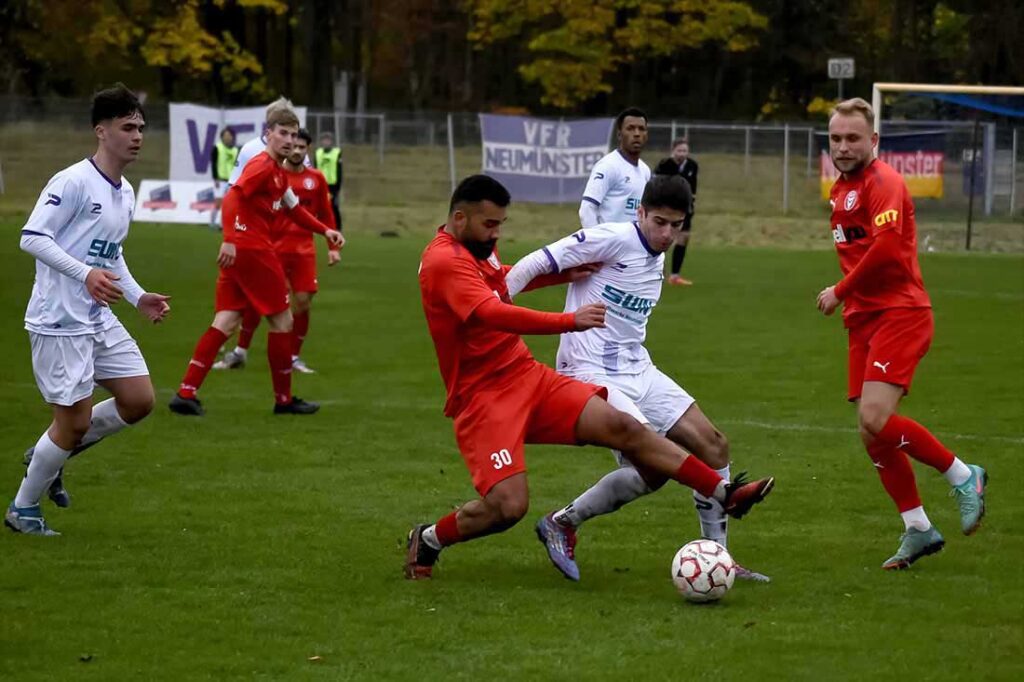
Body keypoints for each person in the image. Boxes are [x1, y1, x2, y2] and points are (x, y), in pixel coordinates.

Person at [404, 174, 775, 580]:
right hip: (483, 398)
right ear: (460, 218)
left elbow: (501, 280)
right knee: (508, 507)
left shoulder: (478, 249)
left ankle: (724, 492)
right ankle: (429, 539)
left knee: (625, 427)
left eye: (500, 225)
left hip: (526, 376)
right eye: (490, 225)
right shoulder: (444, 261)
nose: (497, 234)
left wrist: (566, 275)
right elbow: (492, 311)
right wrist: (569, 321)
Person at [816, 98, 987, 570]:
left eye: (853, 138)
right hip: (865, 320)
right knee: (873, 436)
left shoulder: (884, 182)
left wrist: (840, 290)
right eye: (836, 138)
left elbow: (888, 250)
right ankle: (918, 529)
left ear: (874, 141)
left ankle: (962, 475)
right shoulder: (841, 189)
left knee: (874, 418)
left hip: (900, 312)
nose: (844, 146)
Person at [7, 84, 171, 535]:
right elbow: (33, 237)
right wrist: (84, 275)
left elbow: (109, 254)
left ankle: (56, 452)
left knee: (138, 400)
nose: (137, 135)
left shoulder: (126, 192)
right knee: (73, 420)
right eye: (127, 127)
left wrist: (138, 297)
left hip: (97, 316)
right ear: (101, 131)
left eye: (140, 127)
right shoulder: (73, 181)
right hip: (59, 319)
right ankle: (23, 508)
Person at [169, 103, 343, 417]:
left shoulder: (276, 172)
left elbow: (294, 210)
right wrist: (231, 240)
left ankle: (186, 392)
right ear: (268, 135)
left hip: (245, 251)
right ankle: (284, 401)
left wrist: (325, 231)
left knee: (226, 320)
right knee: (282, 320)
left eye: (293, 134)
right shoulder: (262, 165)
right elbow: (234, 195)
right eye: (283, 134)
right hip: (253, 250)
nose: (289, 140)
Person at [214, 129, 342, 374]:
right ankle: (241, 352)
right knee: (260, 304)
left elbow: (324, 213)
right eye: (292, 145)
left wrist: (332, 245)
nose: (295, 150)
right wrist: (232, 235)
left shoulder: (315, 179)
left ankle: (292, 358)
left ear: (307, 151)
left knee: (302, 303)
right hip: (272, 248)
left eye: (301, 147)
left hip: (303, 251)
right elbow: (237, 198)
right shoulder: (272, 174)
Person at [579, 107, 651, 228]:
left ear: (646, 135)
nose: (637, 134)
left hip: (632, 245)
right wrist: (599, 244)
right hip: (609, 245)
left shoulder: (645, 170)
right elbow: (587, 210)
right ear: (619, 134)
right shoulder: (608, 166)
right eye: (630, 128)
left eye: (641, 129)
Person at [654, 138, 698, 286]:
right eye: (679, 150)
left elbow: (693, 188)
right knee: (663, 239)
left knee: (683, 238)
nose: (682, 153)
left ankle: (675, 275)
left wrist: (691, 201)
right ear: (673, 150)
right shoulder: (665, 165)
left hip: (685, 209)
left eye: (685, 150)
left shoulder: (692, 165)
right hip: (666, 209)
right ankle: (656, 272)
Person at [210, 127, 238, 228]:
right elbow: (213, 163)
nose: (227, 137)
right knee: (218, 203)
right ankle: (212, 223)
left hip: (231, 181)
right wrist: (215, 178)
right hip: (220, 180)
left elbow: (237, 166)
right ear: (222, 137)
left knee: (228, 204)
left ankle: (223, 225)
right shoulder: (217, 148)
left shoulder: (235, 150)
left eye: (229, 135)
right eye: (225, 135)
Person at [314, 132, 342, 231]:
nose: (326, 142)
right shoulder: (318, 153)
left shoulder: (336, 153)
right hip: (320, 184)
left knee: (334, 206)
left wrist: (338, 187)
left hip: (332, 185)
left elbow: (339, 171)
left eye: (328, 140)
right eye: (324, 140)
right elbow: (315, 168)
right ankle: (321, 227)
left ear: (331, 142)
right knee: (319, 207)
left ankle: (338, 228)